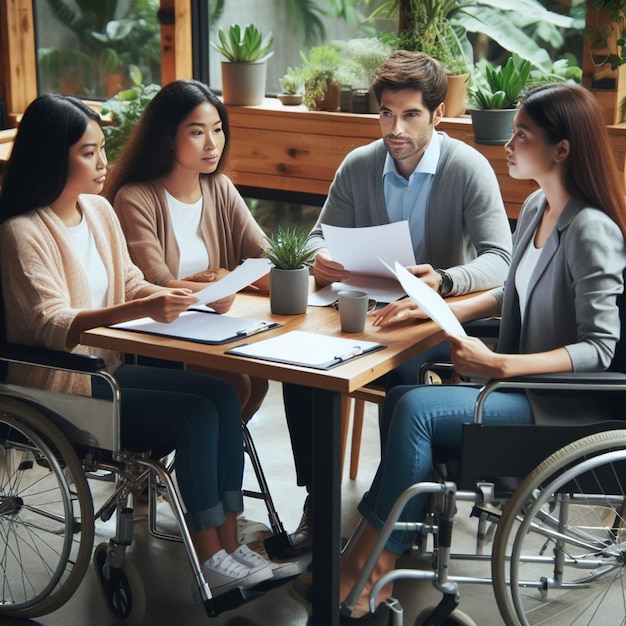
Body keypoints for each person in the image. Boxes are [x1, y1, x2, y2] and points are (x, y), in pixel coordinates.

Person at [332, 82, 626, 620]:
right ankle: (375, 553)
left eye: (522, 135)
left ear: (561, 150)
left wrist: (499, 365)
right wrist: (430, 305)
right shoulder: (539, 206)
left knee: (417, 410)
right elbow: (505, 291)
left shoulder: (592, 229)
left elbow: (600, 349)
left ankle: (372, 566)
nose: (508, 145)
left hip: (559, 407)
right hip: (518, 389)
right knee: (401, 401)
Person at [0, 93, 277, 596]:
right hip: (64, 389)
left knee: (220, 396)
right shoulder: (22, 232)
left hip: (105, 377)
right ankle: (209, 552)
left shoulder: (99, 212)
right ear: (51, 155)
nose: (104, 162)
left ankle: (231, 543)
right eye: (89, 152)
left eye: (102, 148)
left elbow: (130, 283)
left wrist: (184, 297)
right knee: (195, 415)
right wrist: (144, 307)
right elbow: (51, 322)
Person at [280, 50, 513, 557]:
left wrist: (447, 280)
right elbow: (319, 234)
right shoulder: (360, 165)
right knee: (299, 368)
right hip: (368, 316)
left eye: (410, 115)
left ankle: (395, 514)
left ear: (438, 114)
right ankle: (318, 503)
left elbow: (503, 259)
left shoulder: (468, 167)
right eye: (386, 113)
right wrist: (320, 257)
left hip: (433, 326)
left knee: (406, 383)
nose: (396, 128)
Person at [104, 79, 269, 424]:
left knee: (258, 380)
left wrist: (225, 280)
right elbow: (156, 281)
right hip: (160, 336)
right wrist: (221, 286)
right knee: (236, 381)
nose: (212, 144)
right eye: (197, 133)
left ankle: (215, 462)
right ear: (167, 137)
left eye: (218, 130)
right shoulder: (135, 197)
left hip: (213, 329)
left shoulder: (219, 187)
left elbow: (267, 261)